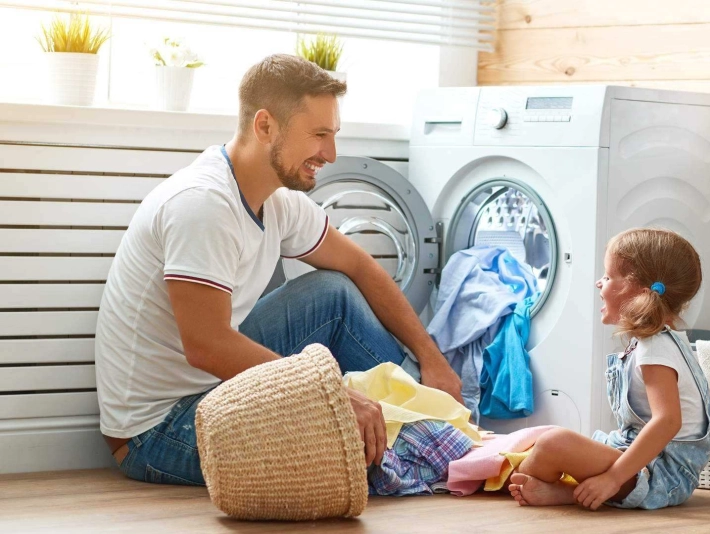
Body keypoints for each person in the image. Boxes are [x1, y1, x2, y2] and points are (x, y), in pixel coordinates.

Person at [94, 54, 462, 486]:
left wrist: (432, 358)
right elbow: (207, 346)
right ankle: (435, 444)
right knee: (344, 447)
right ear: (265, 126)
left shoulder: (277, 200)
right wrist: (332, 399)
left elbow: (360, 266)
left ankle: (436, 419)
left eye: (333, 134)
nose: (331, 153)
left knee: (333, 292)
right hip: (157, 430)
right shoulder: (203, 204)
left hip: (212, 388)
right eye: (319, 135)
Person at [508, 228, 710, 510]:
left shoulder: (656, 347)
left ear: (635, 291)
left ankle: (516, 481)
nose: (598, 283)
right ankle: (566, 493)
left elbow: (668, 421)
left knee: (553, 443)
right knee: (543, 441)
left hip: (663, 475)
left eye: (606, 277)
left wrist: (614, 478)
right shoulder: (652, 342)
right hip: (642, 459)